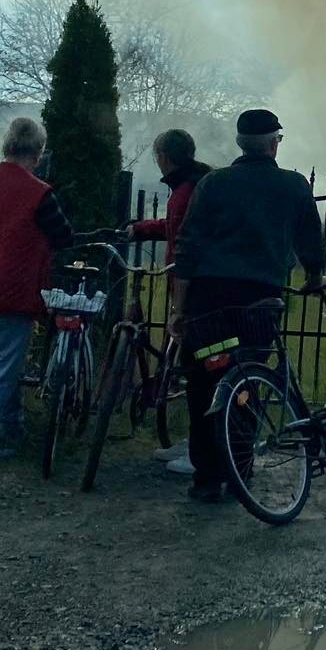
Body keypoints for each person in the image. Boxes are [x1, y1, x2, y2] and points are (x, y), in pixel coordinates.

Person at [171, 108, 326, 503]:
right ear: (275, 143)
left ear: (240, 144)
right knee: (248, 379)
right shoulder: (293, 186)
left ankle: (206, 479)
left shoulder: (213, 184)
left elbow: (188, 249)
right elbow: (311, 241)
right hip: (259, 305)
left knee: (205, 381)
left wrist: (179, 310)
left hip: (209, 305)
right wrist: (314, 274)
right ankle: (240, 469)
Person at [0, 117, 74, 459]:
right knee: (5, 366)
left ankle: (12, 424)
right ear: (38, 153)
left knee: (4, 361)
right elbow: (63, 237)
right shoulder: (38, 193)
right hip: (11, 289)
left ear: (6, 146)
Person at [124, 128, 213, 475]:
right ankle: (195, 442)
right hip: (189, 282)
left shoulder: (188, 188)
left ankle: (201, 452)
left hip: (191, 285)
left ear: (164, 157)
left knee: (197, 370)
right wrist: (141, 229)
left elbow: (185, 234)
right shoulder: (191, 183)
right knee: (190, 368)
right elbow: (174, 225)